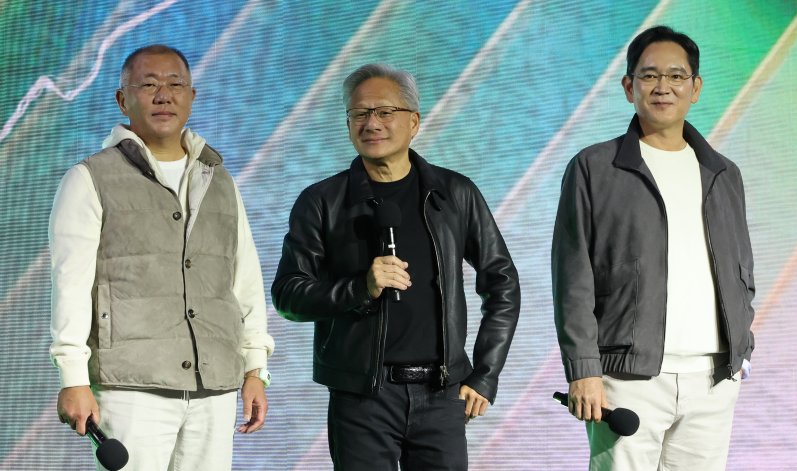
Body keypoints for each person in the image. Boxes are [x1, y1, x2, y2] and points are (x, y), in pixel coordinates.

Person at [272, 63, 520, 470]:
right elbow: (288, 295)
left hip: (442, 393)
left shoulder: (455, 194)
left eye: (385, 112)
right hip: (362, 398)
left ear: (414, 122)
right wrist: (360, 288)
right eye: (359, 114)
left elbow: (502, 282)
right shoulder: (322, 201)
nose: (371, 123)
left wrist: (485, 374)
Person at [49, 44, 274, 471]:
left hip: (215, 388)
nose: (163, 95)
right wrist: (73, 378)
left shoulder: (220, 181)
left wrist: (254, 368)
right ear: (122, 99)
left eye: (175, 84)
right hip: (131, 389)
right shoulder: (89, 178)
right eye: (148, 85)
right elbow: (70, 285)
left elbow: (244, 281)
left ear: (192, 96)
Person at [552, 25, 756, 470]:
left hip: (713, 379)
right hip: (627, 378)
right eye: (649, 76)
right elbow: (573, 279)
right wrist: (584, 370)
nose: (663, 86)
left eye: (677, 76)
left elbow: (742, 270)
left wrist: (742, 348)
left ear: (695, 88)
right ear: (629, 87)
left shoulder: (724, 174)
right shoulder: (594, 167)